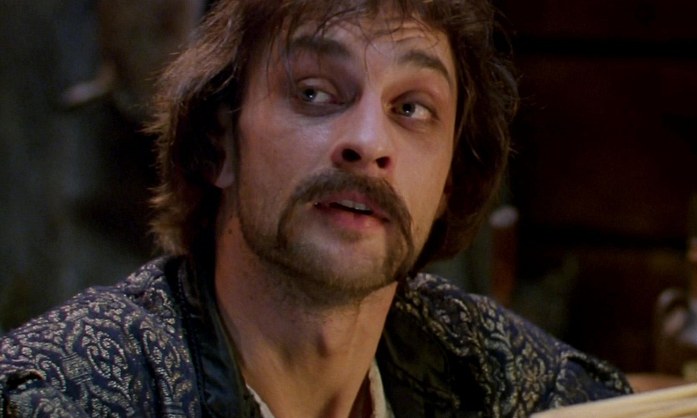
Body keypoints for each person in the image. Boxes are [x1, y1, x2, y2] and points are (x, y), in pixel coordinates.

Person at [0, 0, 632, 416]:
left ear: (447, 184)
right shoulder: (64, 395)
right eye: (314, 93)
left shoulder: (494, 375)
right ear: (220, 144)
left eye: (412, 108)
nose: (369, 142)